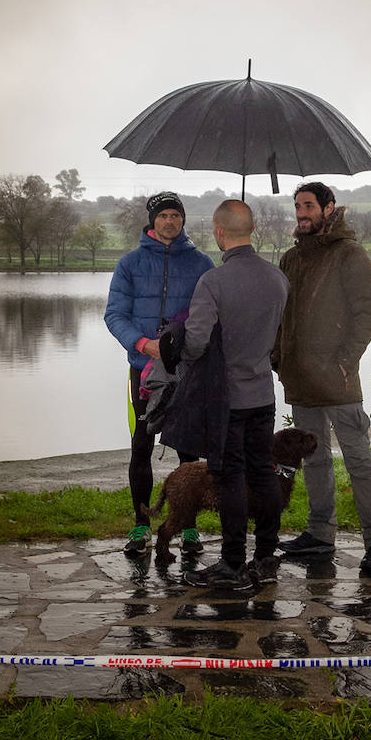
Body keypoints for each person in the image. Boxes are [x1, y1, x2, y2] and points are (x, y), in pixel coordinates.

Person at [154, 200, 289, 588]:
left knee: (230, 477)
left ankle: (232, 564)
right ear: (253, 229)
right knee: (262, 472)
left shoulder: (212, 282)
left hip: (226, 399)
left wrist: (172, 340)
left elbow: (194, 345)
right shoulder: (278, 278)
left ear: (218, 232)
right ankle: (265, 556)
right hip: (263, 394)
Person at [273, 181, 371, 576]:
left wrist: (347, 360)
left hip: (339, 381)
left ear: (329, 208)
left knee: (359, 462)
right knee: (315, 461)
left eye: (308, 206)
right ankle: (320, 536)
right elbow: (280, 315)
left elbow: (368, 314)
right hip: (300, 380)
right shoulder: (291, 259)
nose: (301, 213)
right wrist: (278, 357)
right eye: (297, 207)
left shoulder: (350, 254)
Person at [104, 191, 214, 556]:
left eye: (176, 215)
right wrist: (143, 344)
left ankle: (188, 528)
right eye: (163, 215)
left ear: (183, 220)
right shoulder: (129, 264)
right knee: (141, 446)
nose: (170, 221)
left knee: (188, 450)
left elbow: (212, 313)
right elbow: (114, 315)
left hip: (187, 370)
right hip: (144, 370)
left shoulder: (201, 265)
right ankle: (140, 525)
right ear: (152, 220)